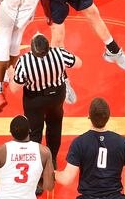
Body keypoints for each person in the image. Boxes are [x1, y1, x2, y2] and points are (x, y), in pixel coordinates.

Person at [9, 33, 82, 180]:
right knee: (54, 126)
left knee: (35, 132)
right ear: (48, 47)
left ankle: (37, 171)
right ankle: (52, 161)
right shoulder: (59, 54)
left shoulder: (24, 62)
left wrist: (12, 74)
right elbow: (79, 63)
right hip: (56, 96)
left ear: (32, 49)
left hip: (35, 101)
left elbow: (14, 88)